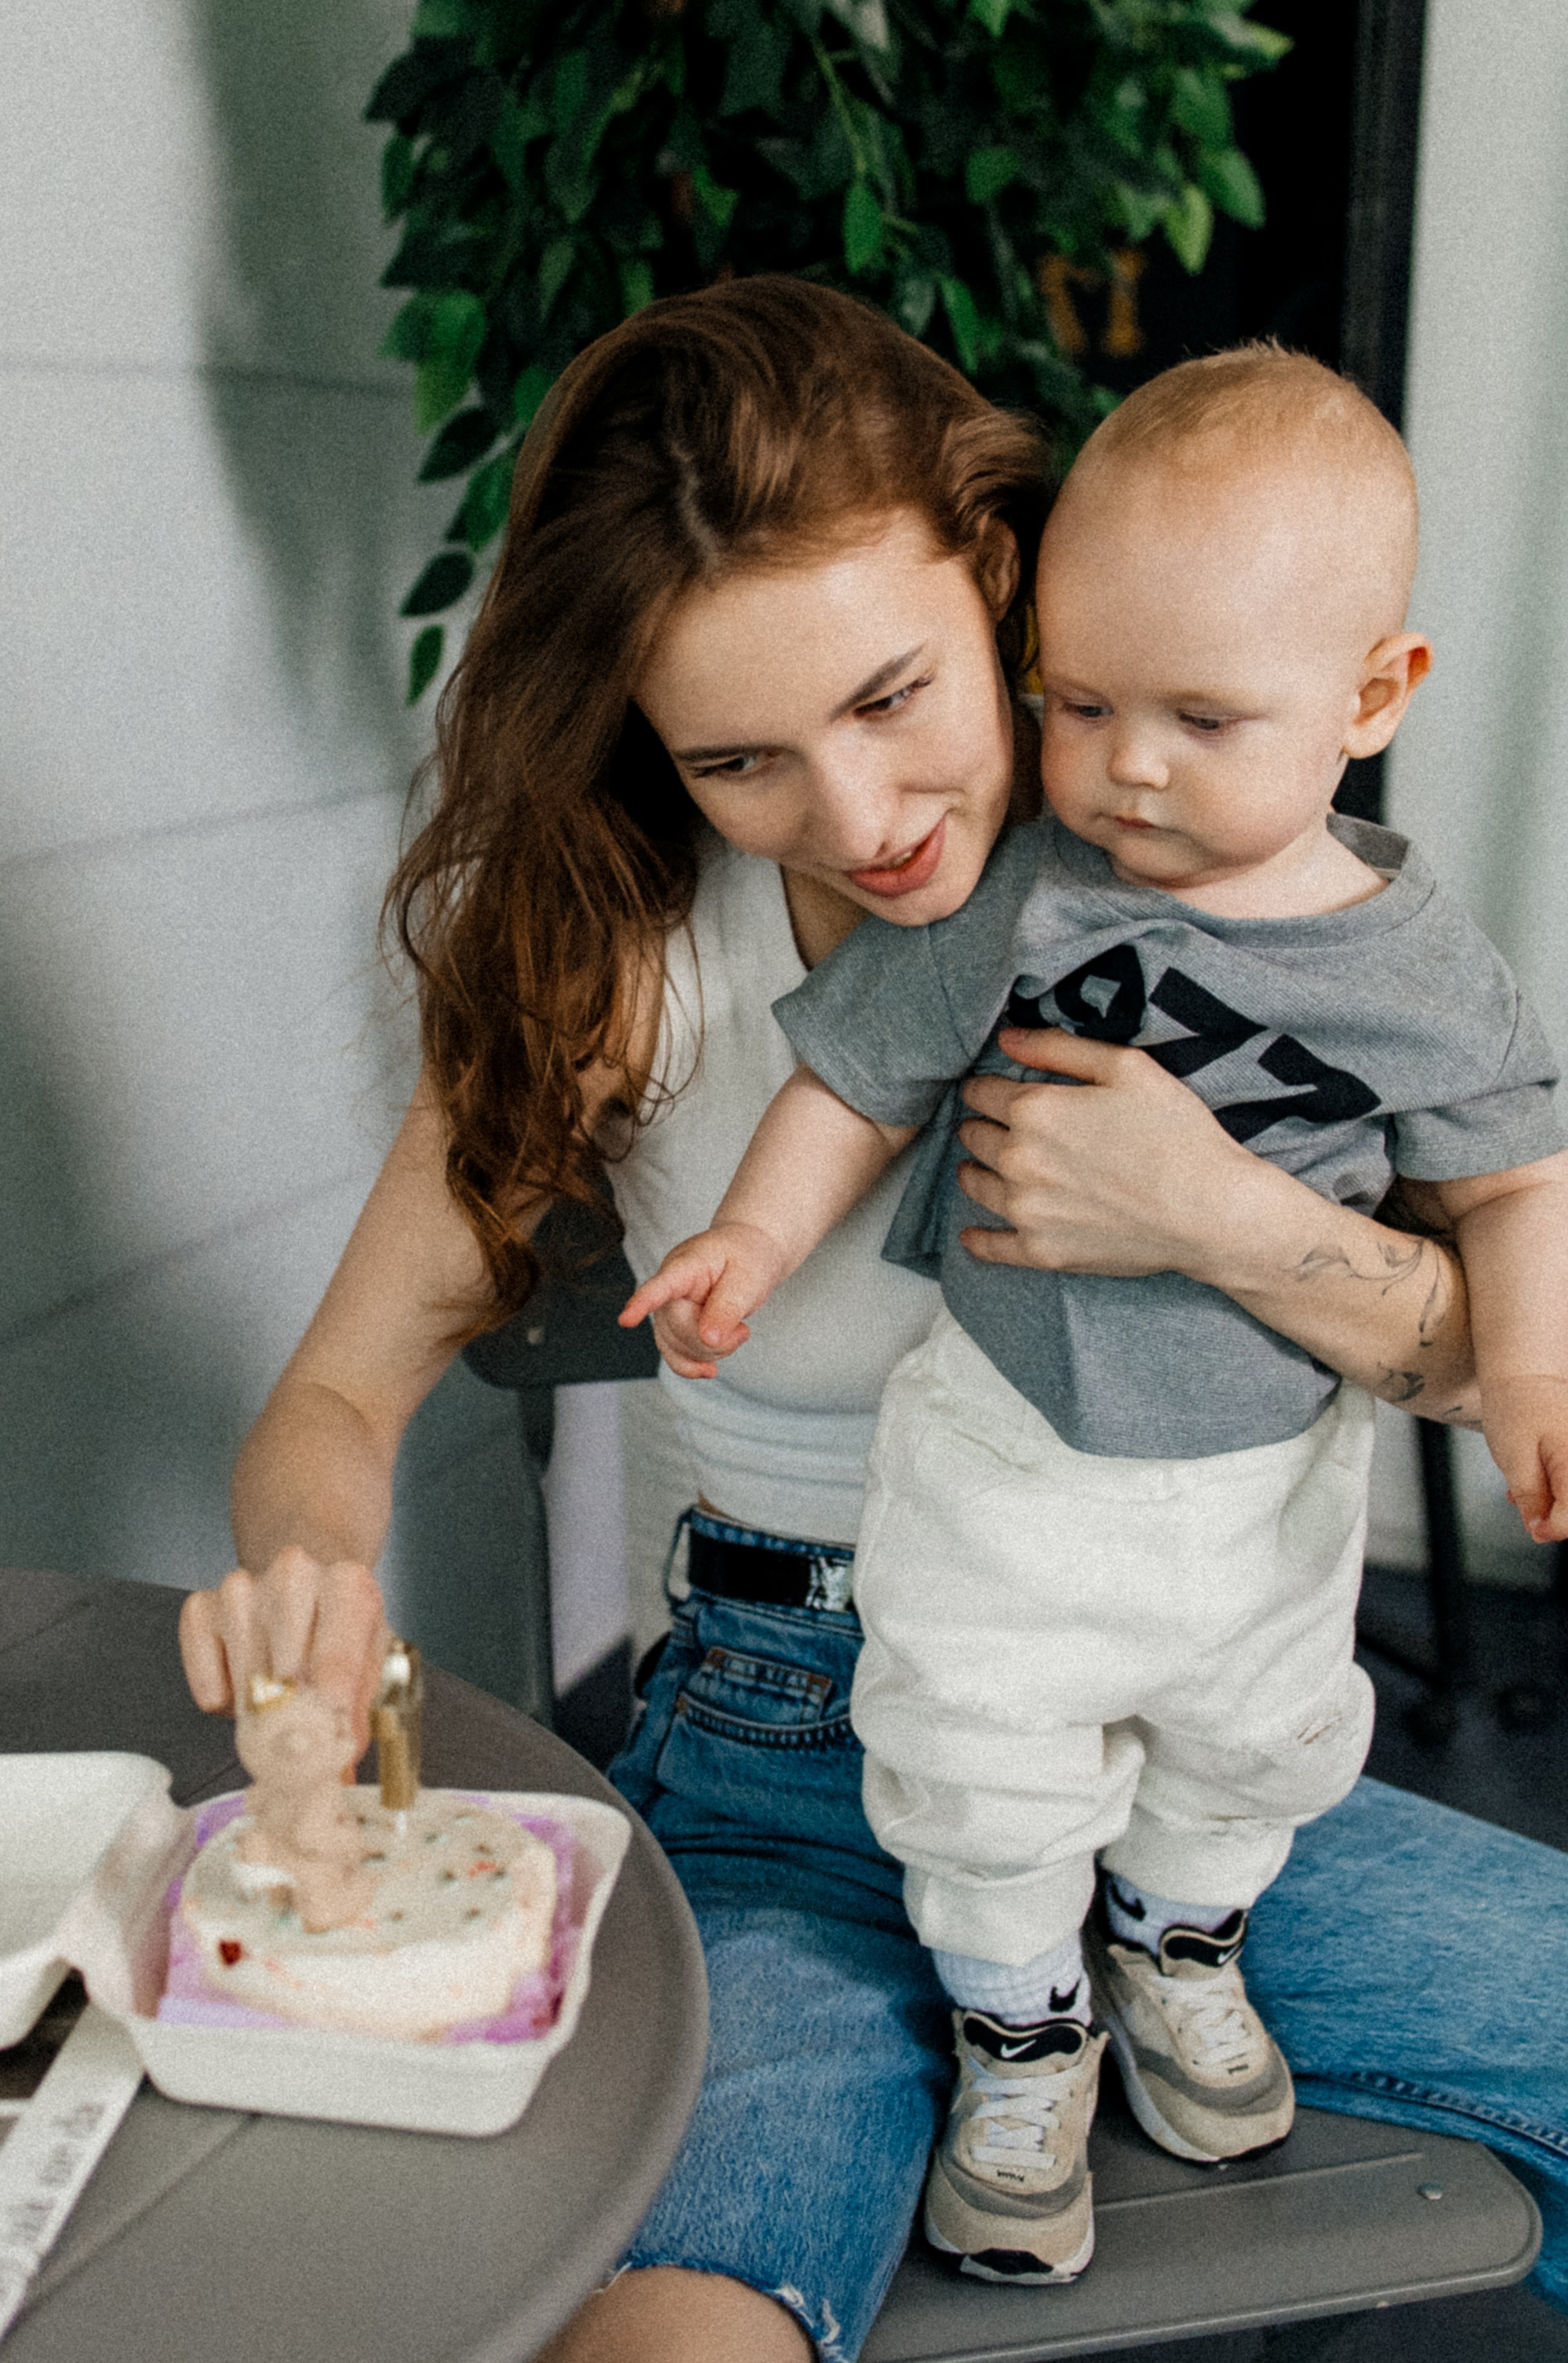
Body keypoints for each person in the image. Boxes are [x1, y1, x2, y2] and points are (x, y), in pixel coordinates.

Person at [175, 281, 1568, 2363]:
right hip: (785, 1754)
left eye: (897, 696)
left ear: (998, 576)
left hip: (1190, 1744)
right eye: (740, 758)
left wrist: (1228, 1222)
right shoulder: (627, 964)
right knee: (668, 2333)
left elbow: (1489, 1345)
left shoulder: (1211, 849)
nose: (860, 817)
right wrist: (304, 1575)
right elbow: (341, 1393)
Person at [619, 345, 1568, 2285]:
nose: (1130, 765)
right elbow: (857, 1084)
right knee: (975, 1742)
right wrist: (749, 1241)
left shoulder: (1428, 974)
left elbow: (1519, 1185)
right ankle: (1021, 2028)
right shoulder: (1031, 893)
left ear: (1374, 699)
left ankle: (1177, 1944)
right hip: (1007, 1460)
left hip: (1262, 1497)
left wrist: (1527, 1354)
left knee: (1262, 1739)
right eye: (1082, 705)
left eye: (1203, 718)